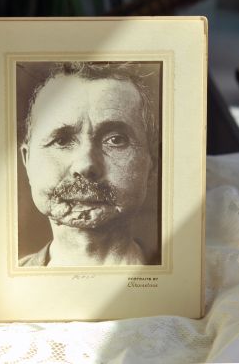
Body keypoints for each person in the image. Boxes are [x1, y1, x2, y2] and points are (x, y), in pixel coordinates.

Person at [18, 61, 160, 267]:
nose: (85, 165)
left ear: (152, 164)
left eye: (116, 140)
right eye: (62, 141)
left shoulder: (188, 281)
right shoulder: (1, 288)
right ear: (27, 161)